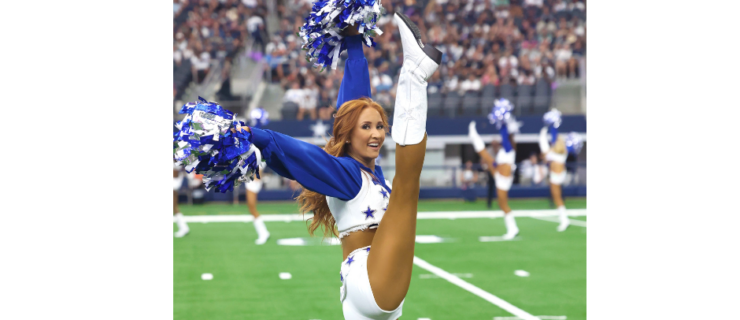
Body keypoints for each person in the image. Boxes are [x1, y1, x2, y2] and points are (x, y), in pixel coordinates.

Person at [239, 13, 439, 319]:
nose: (376, 134)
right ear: (348, 135)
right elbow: (297, 155)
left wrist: (354, 44)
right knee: (406, 189)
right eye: (366, 128)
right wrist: (253, 135)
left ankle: (412, 71)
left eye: (380, 126)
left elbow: (356, 101)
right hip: (372, 280)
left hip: (359, 284)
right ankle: (414, 73)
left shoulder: (369, 173)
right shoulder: (346, 174)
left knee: (400, 188)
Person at [468, 98, 521, 240]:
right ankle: (513, 228)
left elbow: (506, 139)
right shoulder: (505, 153)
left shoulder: (509, 151)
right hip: (501, 173)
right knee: (486, 155)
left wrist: (503, 122)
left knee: (503, 204)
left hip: (503, 174)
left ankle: (513, 229)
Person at [539, 109, 583, 231]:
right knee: (556, 197)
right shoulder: (558, 151)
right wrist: (553, 125)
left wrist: (551, 127)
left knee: (557, 197)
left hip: (557, 175)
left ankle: (564, 220)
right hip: (557, 173)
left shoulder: (560, 151)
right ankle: (564, 219)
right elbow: (553, 140)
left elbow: (552, 141)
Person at [246, 107, 271, 245]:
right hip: (252, 173)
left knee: (251, 206)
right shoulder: (256, 138)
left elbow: (260, 158)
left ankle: (263, 233)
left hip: (254, 175)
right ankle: (263, 232)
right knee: (250, 206)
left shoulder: (258, 138)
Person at [173, 163, 189, 238]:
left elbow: (175, 173)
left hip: (173, 182)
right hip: (175, 181)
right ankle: (184, 228)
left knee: (174, 206)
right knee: (174, 207)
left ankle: (183, 228)